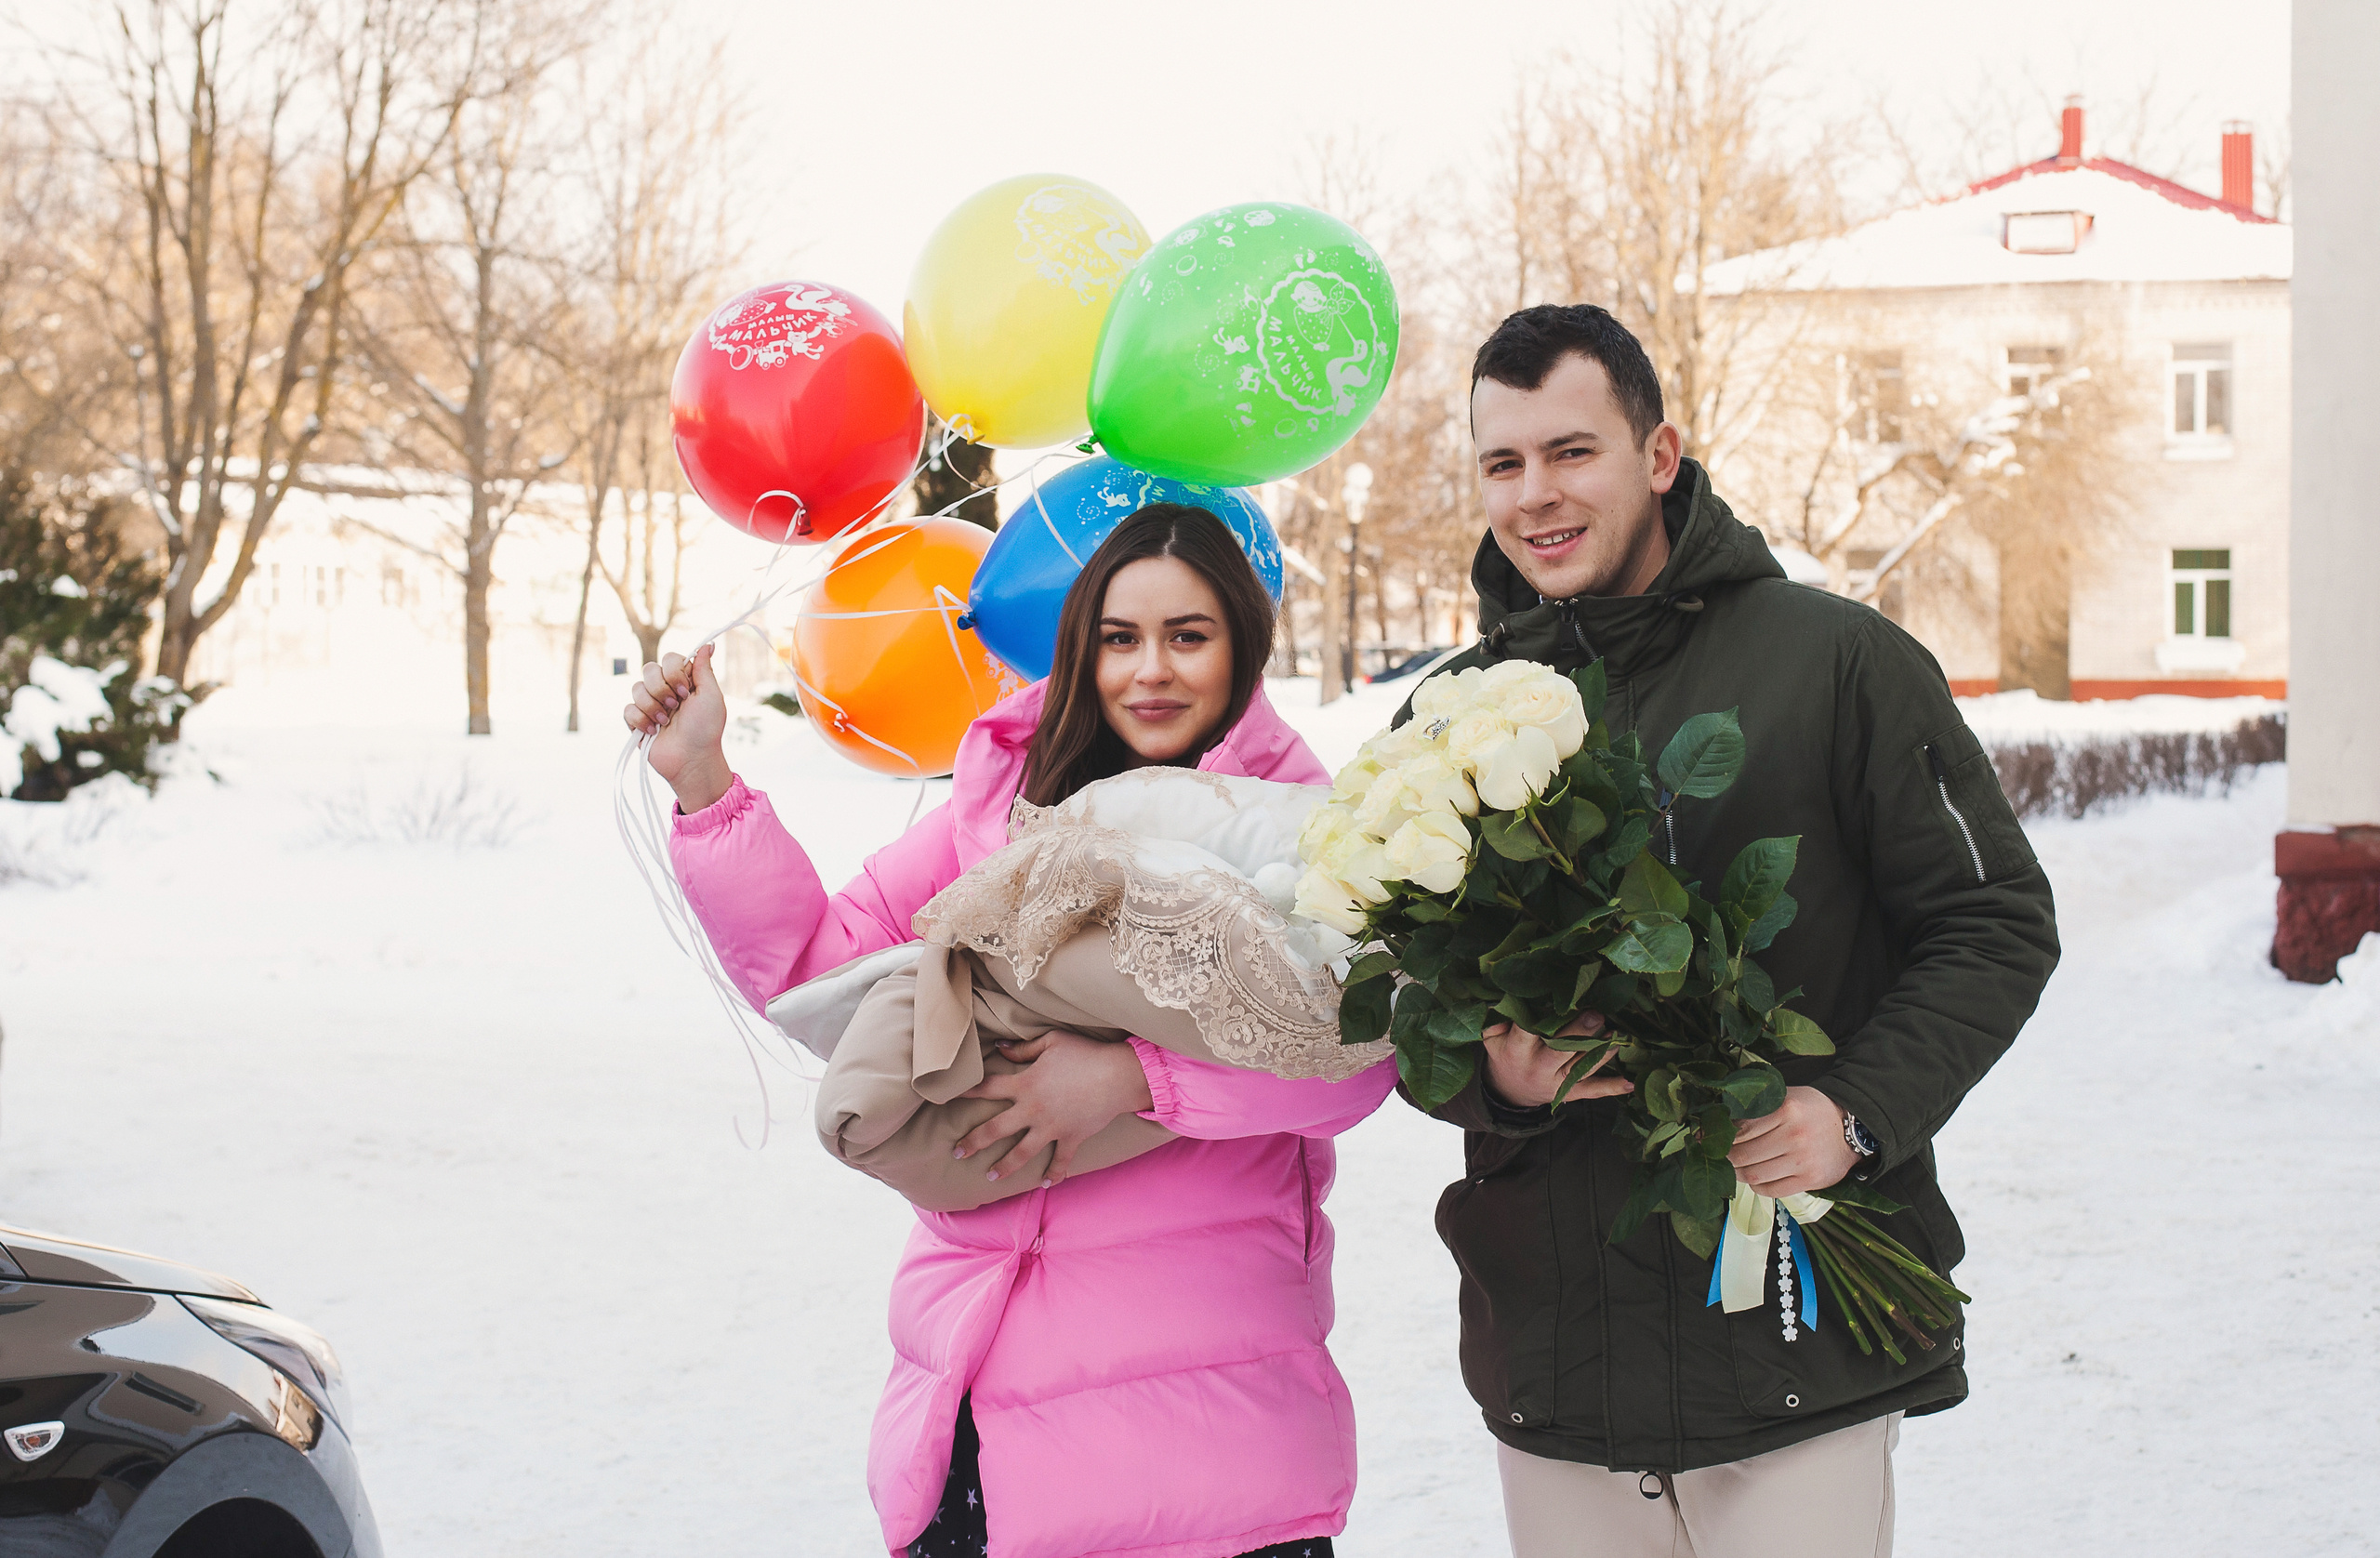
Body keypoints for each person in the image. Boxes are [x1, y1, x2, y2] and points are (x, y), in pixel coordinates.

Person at [1395, 304, 2060, 1558]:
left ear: (1661, 455)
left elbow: (1994, 923)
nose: (1535, 494)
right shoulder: (1443, 725)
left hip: (1793, 1338)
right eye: (1503, 462)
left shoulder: (1840, 662)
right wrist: (1498, 1078)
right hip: (1560, 1353)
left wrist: (1853, 1111)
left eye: (1572, 452)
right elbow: (1413, 1004)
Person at [627, 504, 1397, 1558]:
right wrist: (706, 782)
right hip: (974, 1406)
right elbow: (821, 968)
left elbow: (1354, 1058)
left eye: (1189, 634)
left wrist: (1131, 1077)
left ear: (1243, 646)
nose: (1150, 670)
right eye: (1120, 638)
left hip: (1206, 1438)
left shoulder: (1302, 824)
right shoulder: (995, 812)